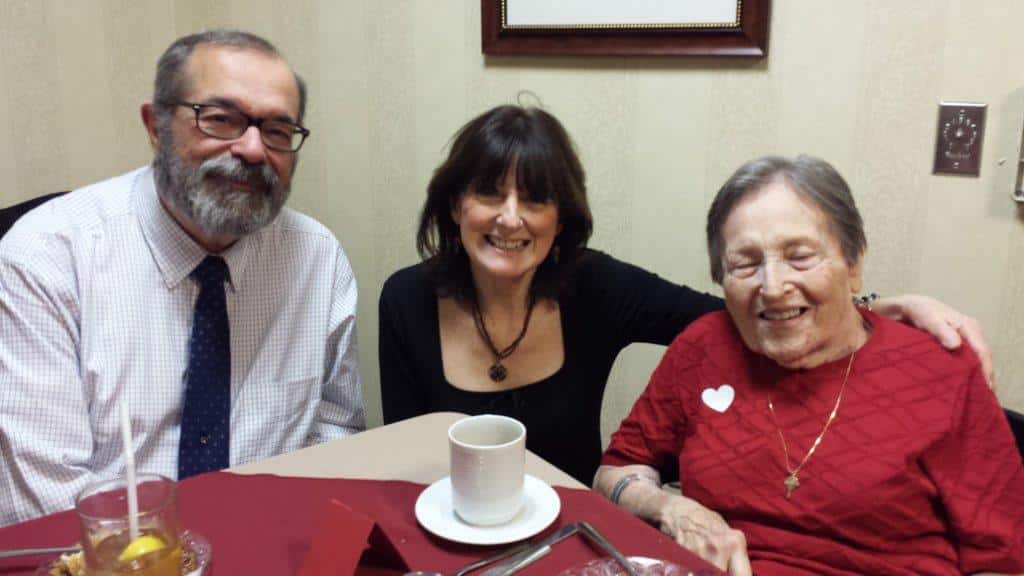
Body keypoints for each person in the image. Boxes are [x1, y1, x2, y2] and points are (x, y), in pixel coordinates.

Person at [379, 104, 993, 486]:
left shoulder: (592, 286)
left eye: (535, 199)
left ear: (560, 220)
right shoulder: (405, 300)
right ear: (454, 205)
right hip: (447, 535)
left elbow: (742, 313)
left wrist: (864, 308)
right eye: (489, 193)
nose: (510, 218)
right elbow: (406, 461)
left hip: (571, 540)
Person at [0, 30, 364, 527]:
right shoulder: (46, 257)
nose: (253, 149)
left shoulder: (318, 259)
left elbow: (335, 433)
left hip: (275, 540)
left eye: (278, 130)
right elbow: (45, 507)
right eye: (220, 119)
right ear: (156, 126)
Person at [595, 156, 1024, 575]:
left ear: (854, 265)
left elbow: (1004, 559)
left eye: (800, 256)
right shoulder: (703, 349)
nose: (773, 286)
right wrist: (672, 509)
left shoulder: (942, 373)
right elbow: (616, 470)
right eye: (745, 263)